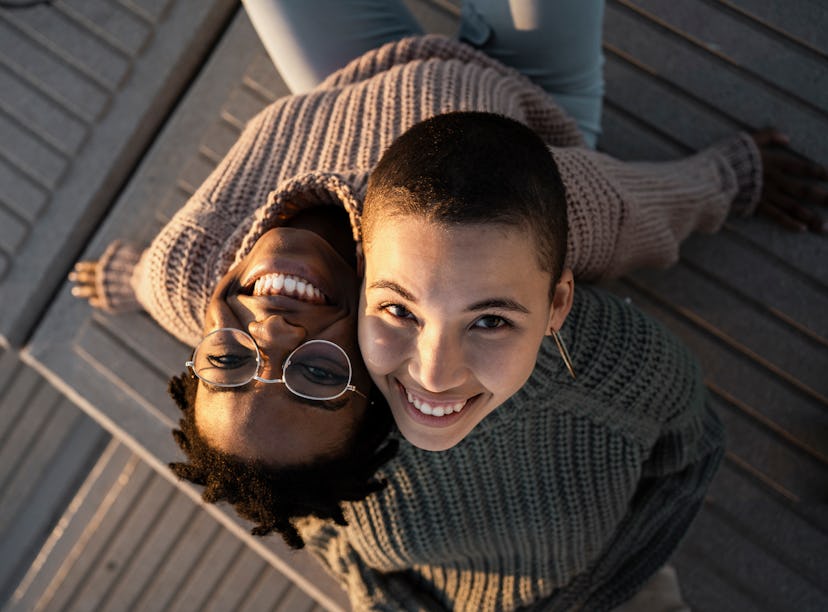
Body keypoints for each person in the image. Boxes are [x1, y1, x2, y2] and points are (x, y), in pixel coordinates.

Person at [68, 0, 827, 608]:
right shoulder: (499, 226)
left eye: (228, 364)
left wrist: (135, 273)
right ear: (372, 357)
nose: (268, 339)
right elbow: (642, 214)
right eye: (319, 376)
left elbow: (165, 287)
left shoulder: (185, 273)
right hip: (521, 100)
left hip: (345, 85)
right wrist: (735, 177)